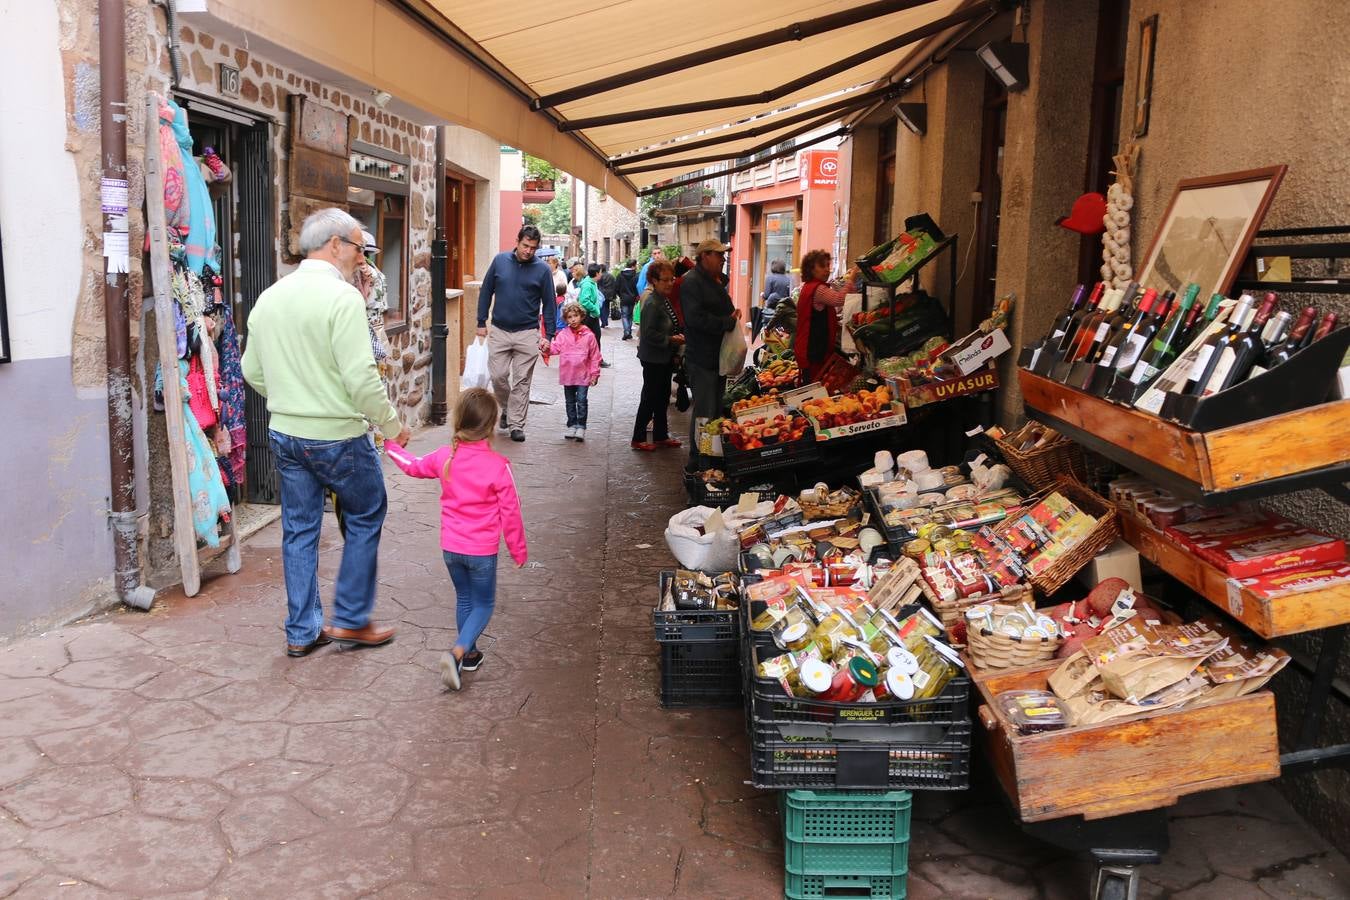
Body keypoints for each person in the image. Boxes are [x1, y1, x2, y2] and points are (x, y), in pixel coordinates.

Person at [241, 207, 409, 657]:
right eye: (359, 248)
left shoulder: (269, 297)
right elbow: (360, 378)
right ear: (335, 244)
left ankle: (301, 631)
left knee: (298, 529)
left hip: (285, 432)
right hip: (338, 434)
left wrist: (292, 397)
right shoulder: (343, 299)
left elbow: (250, 369)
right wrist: (392, 425)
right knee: (366, 513)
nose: (363, 258)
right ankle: (351, 620)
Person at [384, 389, 526, 690]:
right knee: (484, 603)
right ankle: (457, 651)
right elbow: (511, 513)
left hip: (451, 548)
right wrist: (518, 551)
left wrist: (390, 445)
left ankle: (471, 655)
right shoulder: (498, 467)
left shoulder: (443, 457)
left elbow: (412, 465)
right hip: (482, 552)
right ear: (490, 426)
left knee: (464, 599)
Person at [477, 225, 556, 442]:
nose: (528, 251)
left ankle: (516, 425)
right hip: (500, 330)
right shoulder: (500, 261)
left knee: (522, 380)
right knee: (498, 376)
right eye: (525, 245)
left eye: (533, 247)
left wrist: (548, 335)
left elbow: (550, 304)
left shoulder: (542, 270)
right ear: (517, 241)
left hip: (528, 333)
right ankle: (506, 408)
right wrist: (481, 320)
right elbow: (486, 290)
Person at [679, 238, 740, 470]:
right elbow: (695, 319)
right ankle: (698, 461)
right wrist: (726, 322)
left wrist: (730, 316)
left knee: (714, 410)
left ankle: (710, 455)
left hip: (716, 357)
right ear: (705, 256)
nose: (723, 259)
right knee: (704, 411)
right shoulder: (691, 282)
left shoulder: (712, 280)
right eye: (719, 255)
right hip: (702, 357)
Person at [631, 259, 684, 451]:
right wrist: (670, 340)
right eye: (666, 280)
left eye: (672, 279)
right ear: (654, 280)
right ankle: (638, 437)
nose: (670, 283)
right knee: (650, 397)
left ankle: (661, 434)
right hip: (653, 358)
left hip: (663, 357)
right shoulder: (653, 302)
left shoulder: (663, 299)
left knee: (662, 397)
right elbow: (648, 333)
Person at [793, 249, 853, 384]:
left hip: (806, 348)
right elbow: (839, 299)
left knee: (810, 387)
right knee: (814, 390)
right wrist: (852, 279)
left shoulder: (809, 287)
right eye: (822, 266)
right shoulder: (818, 289)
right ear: (811, 269)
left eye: (828, 265)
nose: (827, 270)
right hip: (813, 350)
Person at [546, 301, 602, 441]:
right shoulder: (563, 335)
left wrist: (595, 373)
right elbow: (554, 349)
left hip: (583, 375)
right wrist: (546, 347)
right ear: (566, 319)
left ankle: (581, 426)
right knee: (570, 401)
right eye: (569, 317)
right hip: (568, 374)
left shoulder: (589, 336)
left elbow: (595, 356)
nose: (573, 319)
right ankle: (572, 425)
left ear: (581, 316)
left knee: (581, 400)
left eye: (575, 316)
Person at [577, 263, 611, 368]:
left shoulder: (591, 282)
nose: (601, 274)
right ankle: (590, 360)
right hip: (588, 316)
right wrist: (595, 310)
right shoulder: (588, 284)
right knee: (591, 338)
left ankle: (596, 359)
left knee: (596, 337)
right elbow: (584, 301)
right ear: (596, 273)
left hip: (591, 315)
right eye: (600, 272)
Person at [756, 258, 792, 340]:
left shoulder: (770, 278)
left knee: (770, 336)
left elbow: (766, 295)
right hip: (784, 313)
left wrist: (762, 295)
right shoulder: (789, 279)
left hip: (772, 313)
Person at [616, 258, 639, 340]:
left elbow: (617, 287)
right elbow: (637, 287)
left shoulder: (620, 275)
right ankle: (628, 332)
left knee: (624, 315)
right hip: (632, 298)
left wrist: (620, 295)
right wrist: (636, 296)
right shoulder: (636, 276)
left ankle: (626, 331)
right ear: (633, 266)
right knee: (630, 315)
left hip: (624, 298)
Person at [598, 263, 618, 327]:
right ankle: (605, 320)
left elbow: (598, 285)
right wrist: (614, 295)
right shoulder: (611, 276)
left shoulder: (600, 276)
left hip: (602, 294)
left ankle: (604, 321)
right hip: (609, 294)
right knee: (606, 307)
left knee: (602, 308)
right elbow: (614, 285)